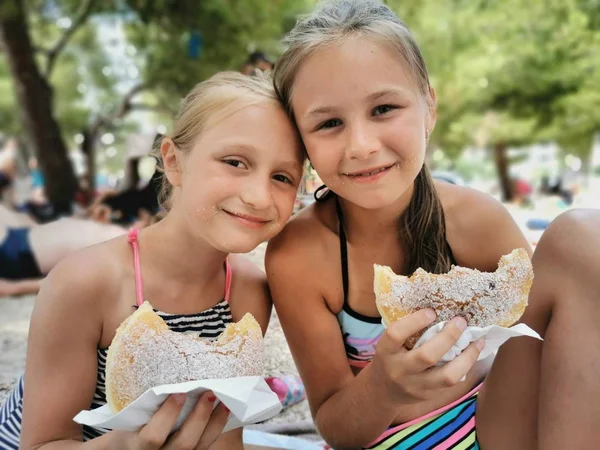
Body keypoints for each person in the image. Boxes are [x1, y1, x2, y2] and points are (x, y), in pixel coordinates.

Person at [265, 1, 600, 449]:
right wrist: (383, 386)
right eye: (329, 123)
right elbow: (337, 430)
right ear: (301, 141)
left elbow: (542, 350)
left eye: (383, 108)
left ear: (429, 107)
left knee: (582, 236)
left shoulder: (477, 220)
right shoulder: (301, 254)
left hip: (502, 421)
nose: (362, 145)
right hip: (393, 439)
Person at [0, 71, 304, 449]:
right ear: (174, 161)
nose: (259, 196)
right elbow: (43, 443)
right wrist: (126, 446)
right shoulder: (85, 283)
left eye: (282, 176)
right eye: (235, 162)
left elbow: (225, 437)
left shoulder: (247, 292)